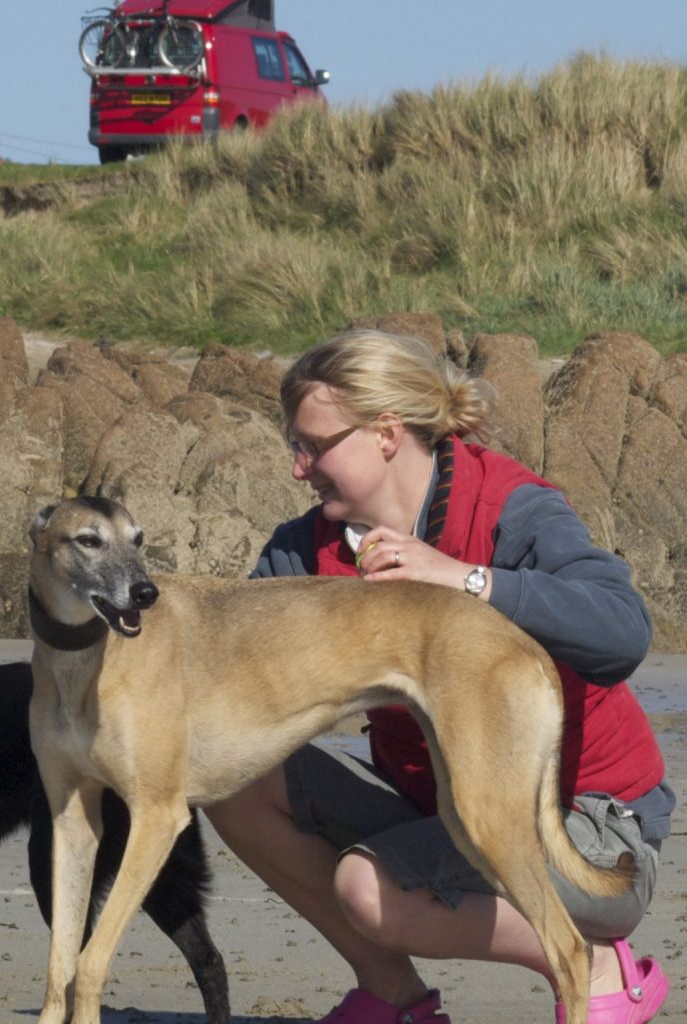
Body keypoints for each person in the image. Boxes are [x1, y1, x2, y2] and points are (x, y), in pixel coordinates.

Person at [205, 329, 675, 1024]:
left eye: (316, 445)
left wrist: (464, 579)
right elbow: (221, 672)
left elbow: (624, 630)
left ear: (387, 433)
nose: (300, 469)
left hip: (592, 833)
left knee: (367, 889)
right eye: (294, 447)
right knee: (227, 769)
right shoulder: (303, 550)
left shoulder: (509, 509)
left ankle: (587, 957)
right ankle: (393, 996)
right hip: (440, 819)